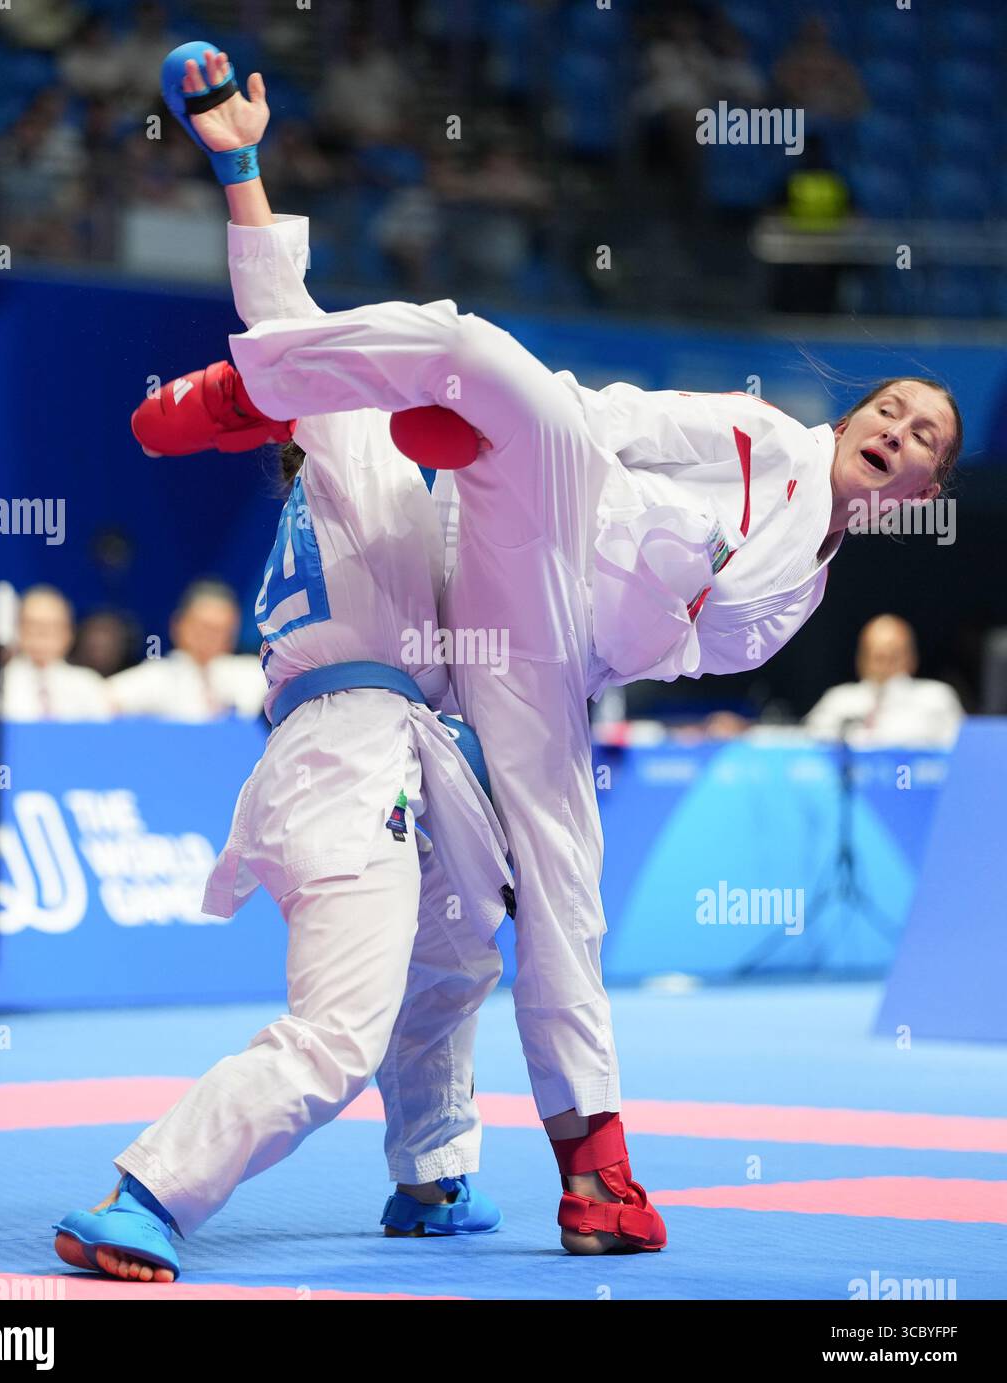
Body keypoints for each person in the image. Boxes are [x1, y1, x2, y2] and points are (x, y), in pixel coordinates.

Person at [205, 256, 960, 1253]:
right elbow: (623, 421)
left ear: (921, 491)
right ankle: (270, 385)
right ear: (855, 417)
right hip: (530, 511)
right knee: (488, 358)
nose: (896, 429)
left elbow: (664, 649)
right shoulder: (764, 434)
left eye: (922, 438)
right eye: (892, 409)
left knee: (557, 887)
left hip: (549, 655)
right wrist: (538, 456)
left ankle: (589, 1175)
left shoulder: (796, 599)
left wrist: (680, 565)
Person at [53, 47, 513, 1283]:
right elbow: (284, 316)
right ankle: (148, 1191)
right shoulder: (351, 436)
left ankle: (432, 1173)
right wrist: (243, 164)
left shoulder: (421, 487)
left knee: (459, 956)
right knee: (338, 1035)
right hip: (348, 755)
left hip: (394, 756)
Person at [107, 581, 267, 720]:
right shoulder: (157, 676)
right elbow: (103, 701)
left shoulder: (252, 672)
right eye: (205, 628)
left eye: (222, 630)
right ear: (178, 625)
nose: (212, 638)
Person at [805, 614, 964, 748]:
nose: (885, 666)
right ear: (860, 660)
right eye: (878, 657)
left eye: (894, 657)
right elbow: (807, 743)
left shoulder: (936, 698)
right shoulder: (838, 700)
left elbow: (962, 751)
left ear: (912, 658)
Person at [0, 585, 110, 721]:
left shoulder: (89, 684)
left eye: (52, 626)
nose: (42, 635)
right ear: (17, 629)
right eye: (33, 625)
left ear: (69, 633)